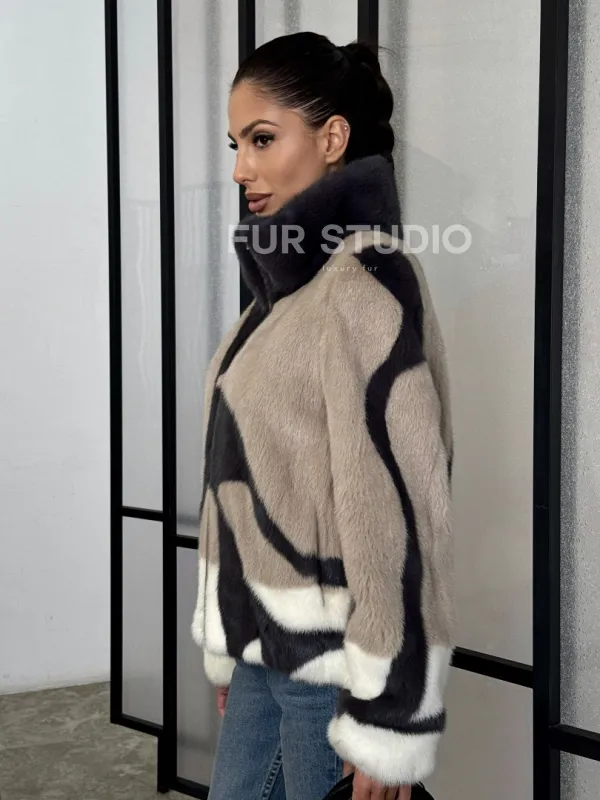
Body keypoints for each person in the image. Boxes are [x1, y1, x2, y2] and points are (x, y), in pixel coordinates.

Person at [191, 30, 454, 800]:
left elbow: (401, 509)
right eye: (237, 144)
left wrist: (388, 715)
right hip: (264, 657)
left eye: (262, 139)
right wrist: (237, 636)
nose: (240, 169)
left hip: (333, 676)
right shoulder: (281, 300)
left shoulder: (364, 282)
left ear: (332, 139)